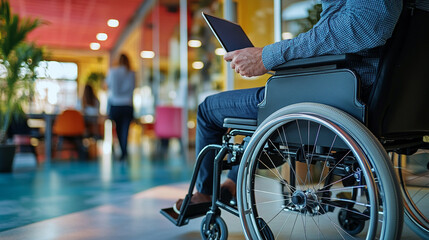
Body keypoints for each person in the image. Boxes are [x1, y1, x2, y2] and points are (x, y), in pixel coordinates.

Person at [173, 0, 416, 213]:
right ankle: (233, 183)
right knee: (266, 116)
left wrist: (267, 56)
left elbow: (367, 24)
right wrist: (275, 60)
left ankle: (206, 193)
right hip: (389, 94)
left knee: (208, 109)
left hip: (341, 89)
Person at [105, 54, 135, 161]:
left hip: (116, 104)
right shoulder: (131, 73)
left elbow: (107, 86)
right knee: (125, 130)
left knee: (118, 129)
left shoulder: (113, 72)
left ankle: (123, 151)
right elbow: (132, 90)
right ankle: (124, 151)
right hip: (127, 104)